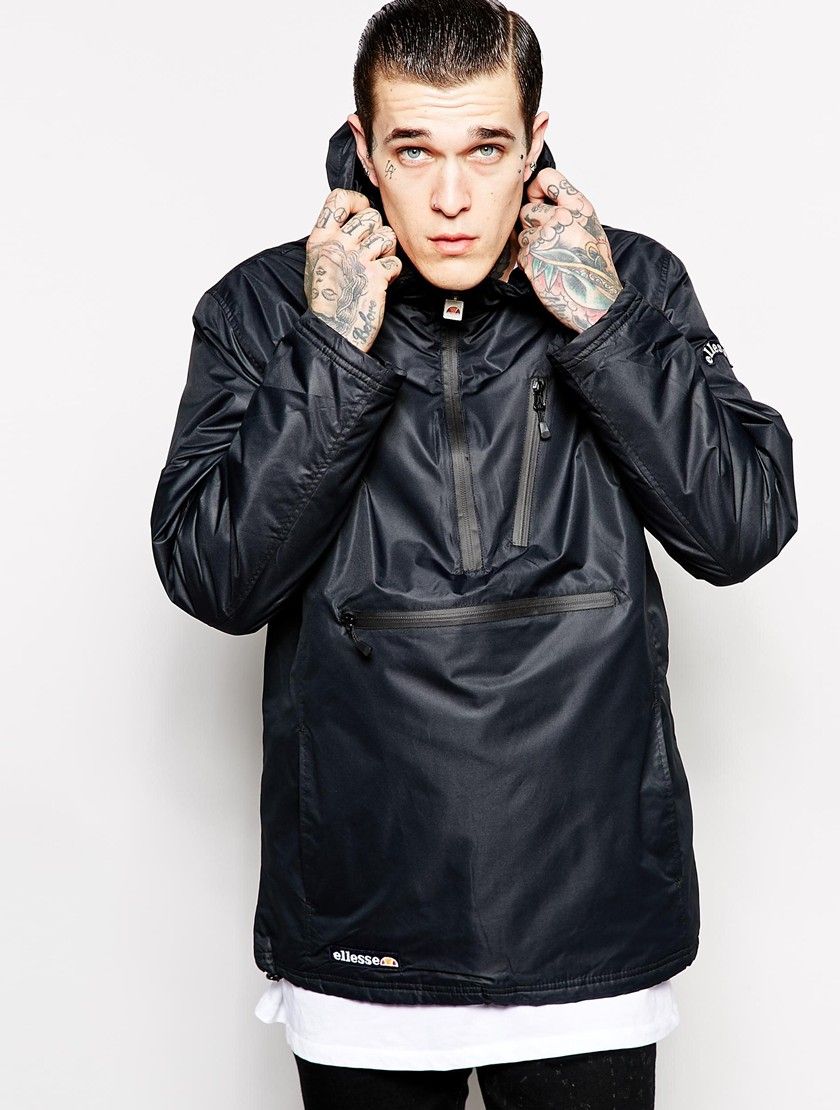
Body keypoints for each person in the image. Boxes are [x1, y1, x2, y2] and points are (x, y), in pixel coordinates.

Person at [150, 1, 798, 1105]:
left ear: (536, 140)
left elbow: (739, 525)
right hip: (364, 916)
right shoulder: (266, 306)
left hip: (589, 909)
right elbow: (217, 577)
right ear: (364, 148)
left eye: (486, 149)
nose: (451, 197)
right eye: (414, 151)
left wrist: (601, 322)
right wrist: (332, 343)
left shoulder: (627, 278)